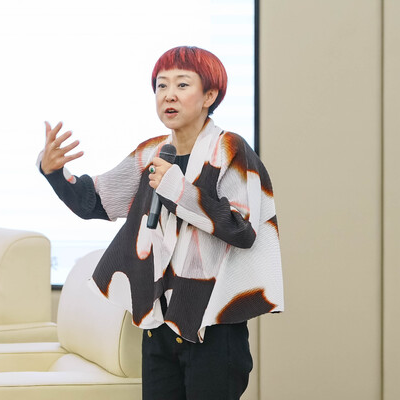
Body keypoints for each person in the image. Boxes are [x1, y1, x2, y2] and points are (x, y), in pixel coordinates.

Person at [38, 46, 284, 400]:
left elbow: (242, 229)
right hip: (158, 324)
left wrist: (177, 190)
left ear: (209, 96)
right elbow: (95, 201)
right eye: (161, 85)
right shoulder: (153, 152)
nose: (169, 94)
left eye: (182, 85)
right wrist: (54, 173)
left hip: (212, 328)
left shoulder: (230, 149)